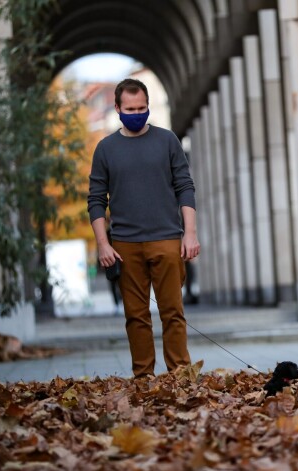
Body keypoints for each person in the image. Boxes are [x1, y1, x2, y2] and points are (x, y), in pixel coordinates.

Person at [88, 78, 200, 378]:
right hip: (125, 245)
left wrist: (190, 233)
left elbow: (185, 187)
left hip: (167, 239)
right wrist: (103, 243)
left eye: (142, 108)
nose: (136, 113)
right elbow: (96, 200)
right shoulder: (105, 149)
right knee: (135, 317)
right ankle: (143, 378)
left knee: (173, 313)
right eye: (130, 108)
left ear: (148, 106)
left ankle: (180, 376)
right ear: (117, 108)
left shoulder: (167, 141)